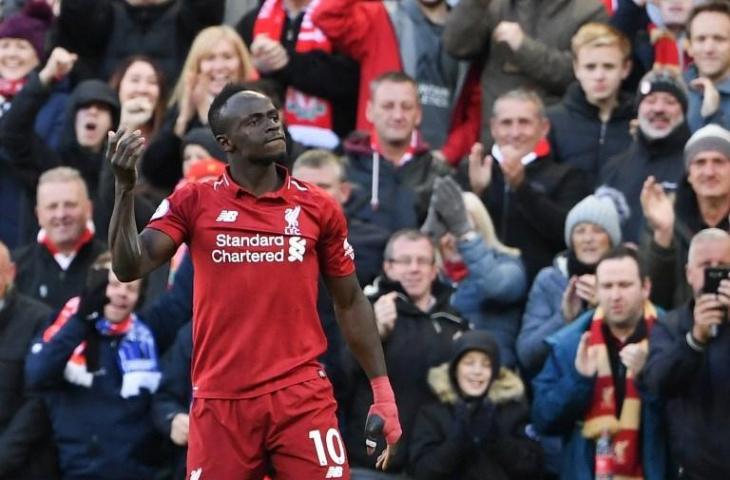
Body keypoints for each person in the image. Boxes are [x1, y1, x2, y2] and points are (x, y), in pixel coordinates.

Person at [106, 84, 402, 477]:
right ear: (226, 141)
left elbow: (349, 301)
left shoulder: (317, 207)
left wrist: (382, 392)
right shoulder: (193, 201)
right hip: (221, 400)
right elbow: (130, 266)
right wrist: (124, 189)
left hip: (301, 396)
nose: (271, 125)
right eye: (254, 120)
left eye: (273, 116)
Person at [531, 247, 672, 480]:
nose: (615, 296)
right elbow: (543, 420)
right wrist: (578, 380)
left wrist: (651, 377)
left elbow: (690, 425)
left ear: (645, 287)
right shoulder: (570, 343)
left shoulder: (671, 339)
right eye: (607, 286)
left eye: (624, 285)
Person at [25, 254, 163, 479]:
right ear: (95, 287)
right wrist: (81, 320)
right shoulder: (66, 325)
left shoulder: (147, 335)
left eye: (131, 288)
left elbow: (181, 298)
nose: (121, 293)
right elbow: (37, 373)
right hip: (78, 471)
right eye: (114, 284)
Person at [344, 229, 468, 477]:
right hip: (374, 463)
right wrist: (373, 334)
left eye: (422, 261)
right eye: (404, 261)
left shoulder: (454, 320)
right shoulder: (365, 308)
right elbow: (341, 375)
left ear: (434, 270)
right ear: (388, 267)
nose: (414, 269)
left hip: (433, 465)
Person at [442, 0, 608, 147]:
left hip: (556, 146)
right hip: (498, 143)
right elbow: (457, 46)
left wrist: (523, 48)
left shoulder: (589, 9)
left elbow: (582, 75)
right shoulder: (496, 5)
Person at [468, 88, 588, 281]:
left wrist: (521, 188)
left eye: (524, 123)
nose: (515, 133)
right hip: (481, 287)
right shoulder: (473, 168)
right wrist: (478, 194)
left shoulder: (568, 176)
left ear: (544, 128)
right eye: (506, 123)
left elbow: (566, 234)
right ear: (493, 128)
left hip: (540, 288)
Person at [641, 228, 730, 479]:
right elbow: (658, 384)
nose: (714, 272)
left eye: (723, 265)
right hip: (694, 471)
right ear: (689, 273)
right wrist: (694, 340)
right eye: (705, 265)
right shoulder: (670, 326)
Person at [518, 189, 625, 379]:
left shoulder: (627, 277)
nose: (588, 238)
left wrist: (604, 306)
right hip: (562, 386)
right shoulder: (550, 280)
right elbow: (527, 354)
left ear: (611, 239)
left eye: (598, 230)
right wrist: (565, 318)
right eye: (580, 230)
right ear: (571, 240)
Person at [423, 176, 527, 369]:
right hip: (436, 379)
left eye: (461, 227)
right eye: (447, 228)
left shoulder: (508, 264)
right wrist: (428, 237)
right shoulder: (428, 276)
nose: (454, 239)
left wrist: (465, 235)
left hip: (492, 378)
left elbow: (497, 287)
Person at [409, 331, 543, 480]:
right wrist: (457, 441)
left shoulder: (514, 410)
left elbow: (533, 468)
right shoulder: (432, 413)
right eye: (469, 363)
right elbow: (422, 472)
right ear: (455, 368)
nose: (477, 371)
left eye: (486, 365)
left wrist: (498, 440)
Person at [237, 0, 360, 148]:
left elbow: (353, 79)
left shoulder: (344, 16)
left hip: (335, 145)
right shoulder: (253, 20)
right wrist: (257, 67)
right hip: (267, 145)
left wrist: (287, 63)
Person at [344, 71, 451, 226]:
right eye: (388, 106)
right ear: (369, 111)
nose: (398, 115)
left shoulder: (438, 174)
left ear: (418, 114)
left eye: (406, 107)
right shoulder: (345, 170)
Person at [640, 124, 730, 308]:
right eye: (700, 163)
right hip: (680, 331)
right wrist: (663, 236)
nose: (709, 172)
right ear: (689, 174)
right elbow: (652, 298)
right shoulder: (665, 218)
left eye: (719, 162)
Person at [600, 68, 691, 243]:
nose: (658, 109)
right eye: (650, 101)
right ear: (638, 108)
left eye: (670, 101)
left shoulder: (696, 167)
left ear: (684, 110)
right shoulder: (614, 167)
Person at [54, 0, 225, 85]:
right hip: (108, 124)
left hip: (172, 124)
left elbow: (207, 11)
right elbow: (77, 17)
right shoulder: (102, 13)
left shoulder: (188, 16)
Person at [547, 23, 635, 187]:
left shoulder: (640, 122)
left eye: (608, 66)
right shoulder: (551, 122)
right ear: (576, 69)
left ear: (625, 68)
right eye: (590, 67)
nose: (599, 76)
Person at [0, 241, 58, 479]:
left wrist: (3, 457)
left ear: (11, 273)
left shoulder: (39, 319)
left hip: (23, 464)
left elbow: (39, 399)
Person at [12, 167, 106, 309]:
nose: (61, 214)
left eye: (70, 205)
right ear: (38, 214)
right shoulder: (16, 267)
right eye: (52, 207)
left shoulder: (114, 265)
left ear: (88, 209)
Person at [684, 1, 730, 132]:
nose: (709, 49)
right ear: (689, 46)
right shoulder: (673, 92)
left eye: (719, 39)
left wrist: (712, 114)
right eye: (701, 39)